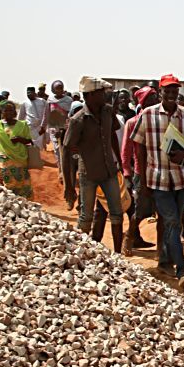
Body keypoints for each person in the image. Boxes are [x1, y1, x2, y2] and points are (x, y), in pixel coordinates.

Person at [130, 74, 184, 291]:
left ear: (178, 93)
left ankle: (164, 262)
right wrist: (141, 177)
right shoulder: (147, 115)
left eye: (174, 91)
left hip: (181, 178)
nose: (171, 95)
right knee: (171, 223)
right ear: (160, 93)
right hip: (157, 178)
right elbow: (138, 145)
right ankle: (183, 270)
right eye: (167, 91)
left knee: (174, 221)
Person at [63, 76, 125, 253]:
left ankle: (118, 254)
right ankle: (79, 253)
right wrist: (68, 185)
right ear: (89, 95)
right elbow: (66, 151)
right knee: (85, 217)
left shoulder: (107, 111)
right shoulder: (78, 120)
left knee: (117, 214)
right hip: (88, 173)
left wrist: (119, 162)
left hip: (109, 171)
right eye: (100, 93)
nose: (104, 95)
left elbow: (113, 135)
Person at [119, 86, 159, 256]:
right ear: (142, 102)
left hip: (160, 171)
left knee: (161, 210)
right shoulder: (133, 122)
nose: (155, 102)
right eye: (151, 99)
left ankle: (162, 250)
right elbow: (126, 152)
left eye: (156, 98)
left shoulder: (160, 121)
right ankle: (129, 237)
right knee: (140, 210)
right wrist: (127, 174)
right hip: (140, 172)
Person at [0, 100, 34, 199]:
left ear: (15, 112)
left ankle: (26, 203)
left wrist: (19, 139)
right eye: (6, 111)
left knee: (23, 181)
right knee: (8, 181)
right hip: (4, 158)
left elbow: (30, 142)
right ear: (2, 112)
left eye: (11, 110)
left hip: (20, 158)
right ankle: (11, 201)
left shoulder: (22, 125)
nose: (8, 113)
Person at [40, 81, 76, 207]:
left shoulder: (69, 100)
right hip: (54, 130)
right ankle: (62, 172)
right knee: (58, 152)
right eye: (57, 88)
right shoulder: (49, 101)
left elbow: (72, 115)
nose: (59, 90)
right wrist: (43, 127)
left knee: (68, 154)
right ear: (53, 90)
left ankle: (68, 174)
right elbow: (46, 115)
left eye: (61, 88)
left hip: (66, 130)